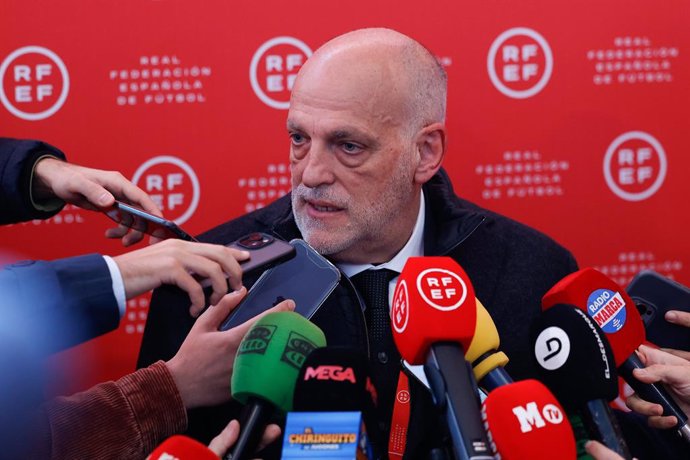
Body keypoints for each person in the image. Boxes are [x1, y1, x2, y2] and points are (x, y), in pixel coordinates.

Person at [138, 28, 578, 457]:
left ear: (424, 153)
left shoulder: (533, 270)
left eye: (348, 146)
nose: (310, 174)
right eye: (299, 139)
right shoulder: (211, 282)